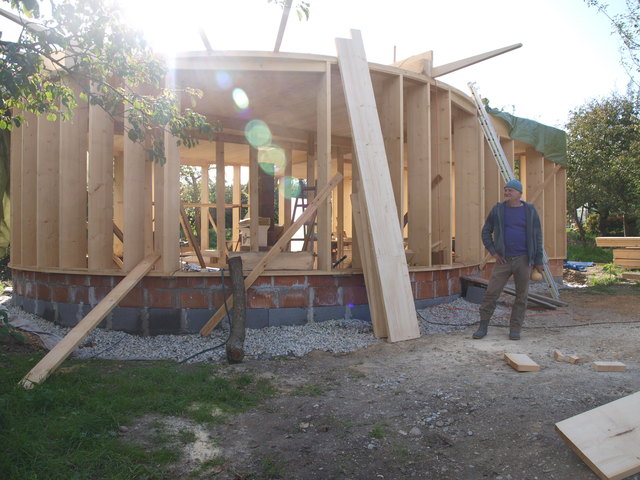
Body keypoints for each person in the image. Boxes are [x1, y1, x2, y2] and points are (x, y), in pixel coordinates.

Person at [473, 179, 544, 340]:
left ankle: (515, 329)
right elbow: (486, 232)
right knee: (491, 292)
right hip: (503, 260)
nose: (507, 193)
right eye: (505, 190)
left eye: (510, 190)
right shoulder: (498, 210)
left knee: (521, 296)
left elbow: (537, 236)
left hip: (524, 260)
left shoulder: (530, 210)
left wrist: (538, 260)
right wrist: (493, 252)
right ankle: (483, 326)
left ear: (519, 193)